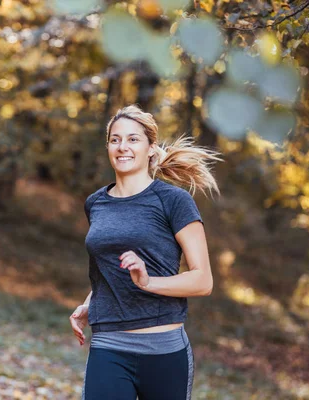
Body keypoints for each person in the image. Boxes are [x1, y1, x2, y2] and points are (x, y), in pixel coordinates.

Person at [69, 104, 222, 400]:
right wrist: (90, 303)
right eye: (115, 139)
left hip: (164, 348)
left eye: (133, 139)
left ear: (151, 148)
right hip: (108, 345)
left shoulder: (174, 202)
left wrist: (148, 281)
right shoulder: (96, 203)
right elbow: (107, 268)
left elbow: (203, 281)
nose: (122, 147)